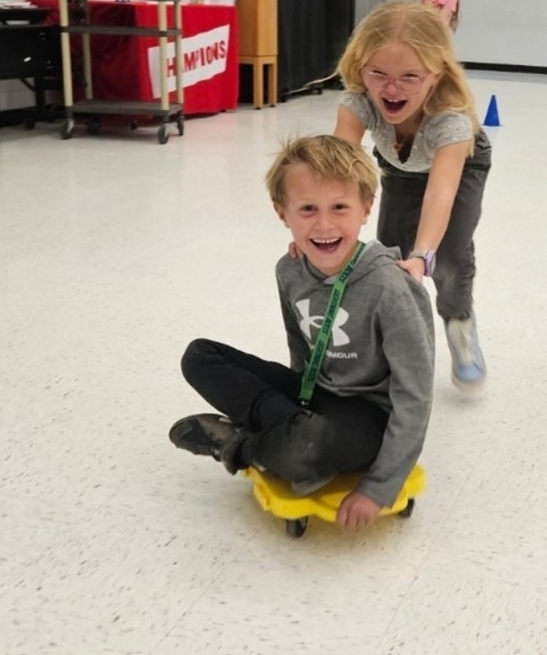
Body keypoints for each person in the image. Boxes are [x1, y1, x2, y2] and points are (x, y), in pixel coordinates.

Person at [169, 135, 435, 530]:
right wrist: (291, 405)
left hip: (370, 417)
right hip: (315, 395)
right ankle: (289, 431)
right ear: (282, 213)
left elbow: (415, 394)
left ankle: (238, 445)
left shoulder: (390, 289)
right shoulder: (289, 270)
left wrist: (380, 487)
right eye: (307, 209)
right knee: (199, 356)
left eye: (339, 208)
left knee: (306, 444)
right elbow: (302, 350)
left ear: (365, 208)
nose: (324, 225)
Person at [334, 0, 490, 388]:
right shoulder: (358, 103)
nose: (391, 89)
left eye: (409, 77)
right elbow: (339, 173)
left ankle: (459, 322)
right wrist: (327, 233)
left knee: (447, 254)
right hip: (400, 168)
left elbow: (440, 194)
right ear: (360, 66)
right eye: (378, 74)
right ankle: (391, 341)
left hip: (461, 166)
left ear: (436, 75)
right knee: (388, 255)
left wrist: (424, 256)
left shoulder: (451, 120)